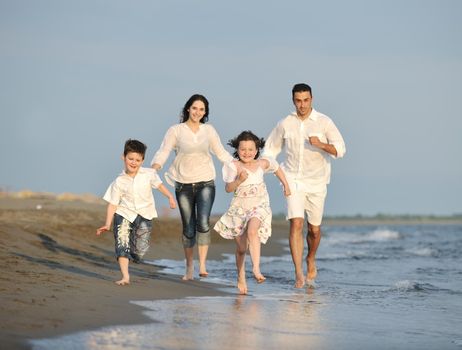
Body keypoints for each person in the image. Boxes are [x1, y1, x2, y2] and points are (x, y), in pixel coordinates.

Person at [263, 83, 346, 288]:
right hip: (292, 179)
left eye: (306, 100)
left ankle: (311, 258)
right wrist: (270, 169)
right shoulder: (285, 123)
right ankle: (298, 273)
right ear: (293, 100)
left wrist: (321, 144)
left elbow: (341, 149)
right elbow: (269, 151)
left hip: (317, 182)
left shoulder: (324, 122)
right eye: (298, 100)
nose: (302, 104)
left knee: (314, 230)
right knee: (296, 223)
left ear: (312, 99)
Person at [151, 94, 233, 280]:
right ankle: (189, 267)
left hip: (206, 182)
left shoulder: (208, 131)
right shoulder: (176, 130)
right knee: (188, 227)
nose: (197, 112)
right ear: (188, 108)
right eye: (195, 108)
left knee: (203, 223)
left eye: (202, 109)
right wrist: (155, 167)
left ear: (205, 112)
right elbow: (164, 150)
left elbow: (221, 153)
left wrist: (239, 165)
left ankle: (202, 265)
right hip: (183, 185)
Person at [214, 130, 290, 295]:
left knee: (252, 231)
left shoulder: (263, 163)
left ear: (257, 150)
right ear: (237, 149)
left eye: (250, 149)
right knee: (241, 249)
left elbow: (277, 168)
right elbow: (228, 189)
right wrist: (239, 180)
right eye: (243, 149)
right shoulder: (233, 166)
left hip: (259, 205)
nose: (247, 153)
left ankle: (256, 269)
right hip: (239, 209)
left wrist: (286, 185)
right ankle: (240, 275)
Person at [96, 139, 176, 285]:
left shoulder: (149, 174)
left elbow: (159, 185)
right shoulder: (119, 181)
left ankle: (135, 254)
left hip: (144, 215)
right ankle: (125, 276)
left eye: (137, 160)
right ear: (123, 157)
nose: (133, 162)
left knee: (140, 251)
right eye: (130, 159)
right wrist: (107, 224)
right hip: (124, 214)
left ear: (142, 160)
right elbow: (113, 204)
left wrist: (170, 196)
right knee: (122, 244)